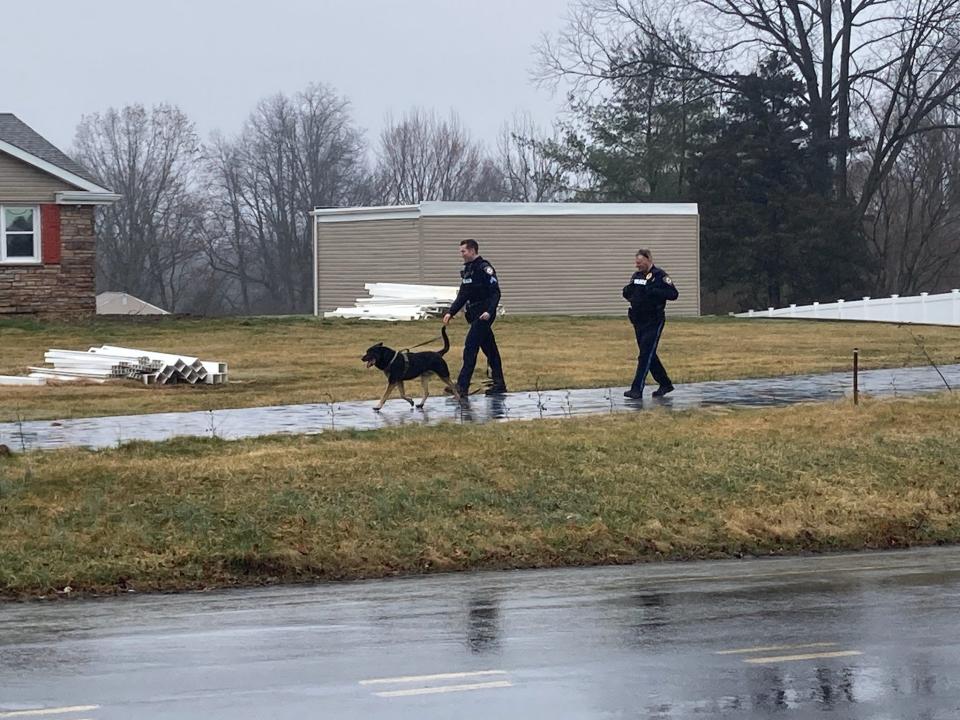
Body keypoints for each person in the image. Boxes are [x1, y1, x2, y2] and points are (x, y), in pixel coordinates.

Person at [442, 239, 507, 395]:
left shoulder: (484, 268)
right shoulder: (469, 270)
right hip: (474, 314)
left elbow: (495, 293)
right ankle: (499, 384)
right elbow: (463, 294)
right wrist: (451, 312)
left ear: (472, 251)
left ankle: (462, 386)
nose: (461, 254)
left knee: (470, 348)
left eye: (463, 251)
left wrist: (490, 312)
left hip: (484, 314)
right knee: (490, 349)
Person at [622, 248, 678, 399]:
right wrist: (627, 291)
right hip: (639, 320)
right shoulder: (637, 276)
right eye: (636, 263)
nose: (637, 266)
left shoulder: (660, 276)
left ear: (648, 259)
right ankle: (665, 383)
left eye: (640, 262)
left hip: (654, 320)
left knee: (645, 355)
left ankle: (636, 389)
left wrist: (654, 291)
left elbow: (673, 294)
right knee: (649, 355)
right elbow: (632, 293)